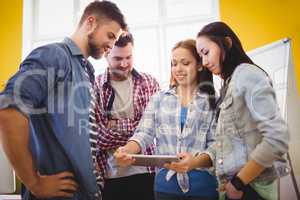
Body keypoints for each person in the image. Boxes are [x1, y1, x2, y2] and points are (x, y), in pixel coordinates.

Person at [0, 1, 127, 199]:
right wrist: (34, 183)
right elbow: (8, 111)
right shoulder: (54, 55)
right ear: (90, 23)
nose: (111, 45)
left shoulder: (87, 71)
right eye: (110, 36)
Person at [166, 22, 290, 200]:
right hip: (235, 187)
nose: (205, 61)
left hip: (251, 187)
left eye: (206, 52)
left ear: (227, 43)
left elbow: (277, 138)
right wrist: (194, 161)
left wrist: (238, 182)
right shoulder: (229, 83)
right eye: (201, 56)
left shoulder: (247, 75)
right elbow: (226, 143)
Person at [114, 39, 219, 200]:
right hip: (166, 188)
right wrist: (126, 151)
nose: (178, 69)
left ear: (199, 65)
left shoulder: (212, 101)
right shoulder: (159, 99)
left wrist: (194, 162)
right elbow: (144, 134)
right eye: (174, 63)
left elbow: (216, 145)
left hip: (204, 188)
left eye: (185, 63)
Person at [94, 33, 160, 200]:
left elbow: (151, 128)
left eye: (128, 57)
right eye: (117, 58)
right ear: (106, 54)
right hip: (109, 175)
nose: (124, 64)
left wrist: (114, 125)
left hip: (146, 172)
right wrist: (137, 126)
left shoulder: (149, 82)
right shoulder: (95, 86)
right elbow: (98, 135)